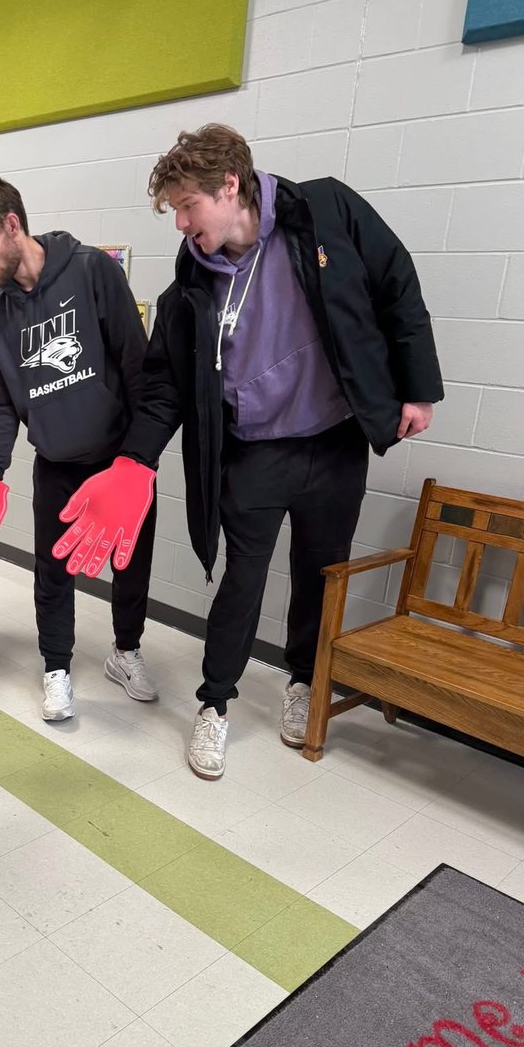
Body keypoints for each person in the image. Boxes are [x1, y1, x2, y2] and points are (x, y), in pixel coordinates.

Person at [105, 124, 443, 779]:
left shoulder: (325, 212)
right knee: (243, 578)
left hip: (336, 439)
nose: (179, 223)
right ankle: (215, 704)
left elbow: (396, 284)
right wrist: (133, 461)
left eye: (186, 206)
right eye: (173, 210)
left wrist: (417, 390)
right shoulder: (192, 287)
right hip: (255, 451)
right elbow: (163, 388)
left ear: (230, 185)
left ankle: (301, 683)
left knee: (323, 570)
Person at [0, 170, 158, 721]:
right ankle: (56, 668)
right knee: (53, 571)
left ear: (11, 225)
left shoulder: (91, 271)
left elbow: (137, 369)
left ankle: (126, 651)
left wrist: (140, 461)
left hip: (118, 461)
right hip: (57, 464)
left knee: (130, 564)